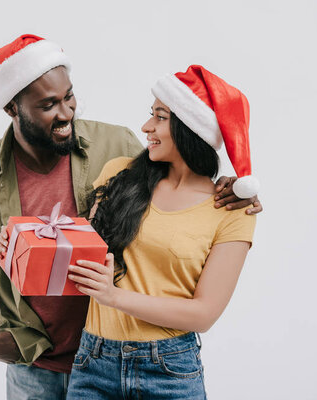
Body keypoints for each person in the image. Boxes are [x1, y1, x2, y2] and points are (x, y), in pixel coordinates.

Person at [0, 34, 261, 400]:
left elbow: (172, 191)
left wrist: (231, 187)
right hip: (43, 357)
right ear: (13, 109)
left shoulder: (118, 148)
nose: (67, 112)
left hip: (157, 360)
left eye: (68, 96)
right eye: (48, 104)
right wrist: (16, 244)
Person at [61, 65, 257, 399]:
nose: (146, 126)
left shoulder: (231, 211)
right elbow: (79, 253)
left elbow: (203, 314)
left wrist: (114, 296)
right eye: (151, 114)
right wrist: (22, 243)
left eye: (160, 117)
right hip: (93, 363)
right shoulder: (120, 174)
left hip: (169, 372)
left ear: (190, 128)